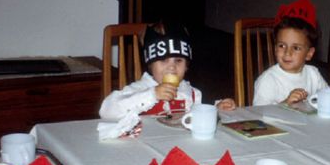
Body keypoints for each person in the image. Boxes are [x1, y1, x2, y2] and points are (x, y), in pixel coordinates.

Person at [99, 21, 235, 137]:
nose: (172, 68)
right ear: (150, 65)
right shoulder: (140, 89)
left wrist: (215, 109)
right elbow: (106, 111)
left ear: (187, 66)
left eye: (179, 60)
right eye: (163, 60)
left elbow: (196, 116)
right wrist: (152, 95)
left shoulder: (191, 93)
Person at [252, 0, 330, 106]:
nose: (287, 53)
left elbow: (326, 97)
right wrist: (285, 104)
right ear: (274, 48)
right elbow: (259, 115)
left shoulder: (313, 74)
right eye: (282, 45)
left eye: (296, 48)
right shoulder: (268, 80)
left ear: (309, 53)